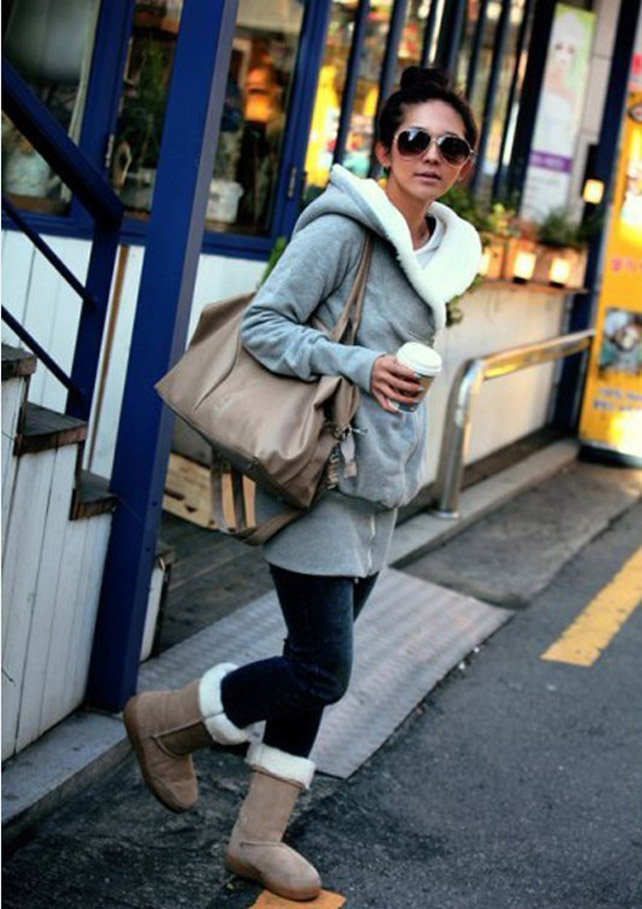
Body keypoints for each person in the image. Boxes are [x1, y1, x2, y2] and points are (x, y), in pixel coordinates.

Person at [124, 67, 481, 902]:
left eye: (451, 145)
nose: (431, 155)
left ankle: (257, 837)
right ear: (386, 147)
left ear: (465, 163)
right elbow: (262, 325)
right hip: (318, 475)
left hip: (378, 488)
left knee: (307, 664)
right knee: (323, 669)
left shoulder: (442, 251)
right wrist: (358, 362)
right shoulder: (345, 230)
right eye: (415, 139)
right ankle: (167, 720)